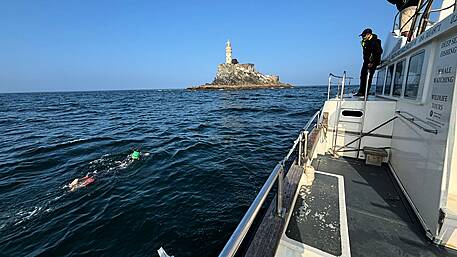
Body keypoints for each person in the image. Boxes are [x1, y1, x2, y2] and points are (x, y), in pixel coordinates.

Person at [355, 28, 383, 97]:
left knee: (368, 77)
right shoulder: (366, 42)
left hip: (372, 62)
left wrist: (373, 62)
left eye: (364, 35)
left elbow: (379, 52)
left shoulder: (375, 42)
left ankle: (365, 92)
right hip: (366, 62)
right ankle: (361, 91)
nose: (363, 37)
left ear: (368, 35)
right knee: (362, 76)